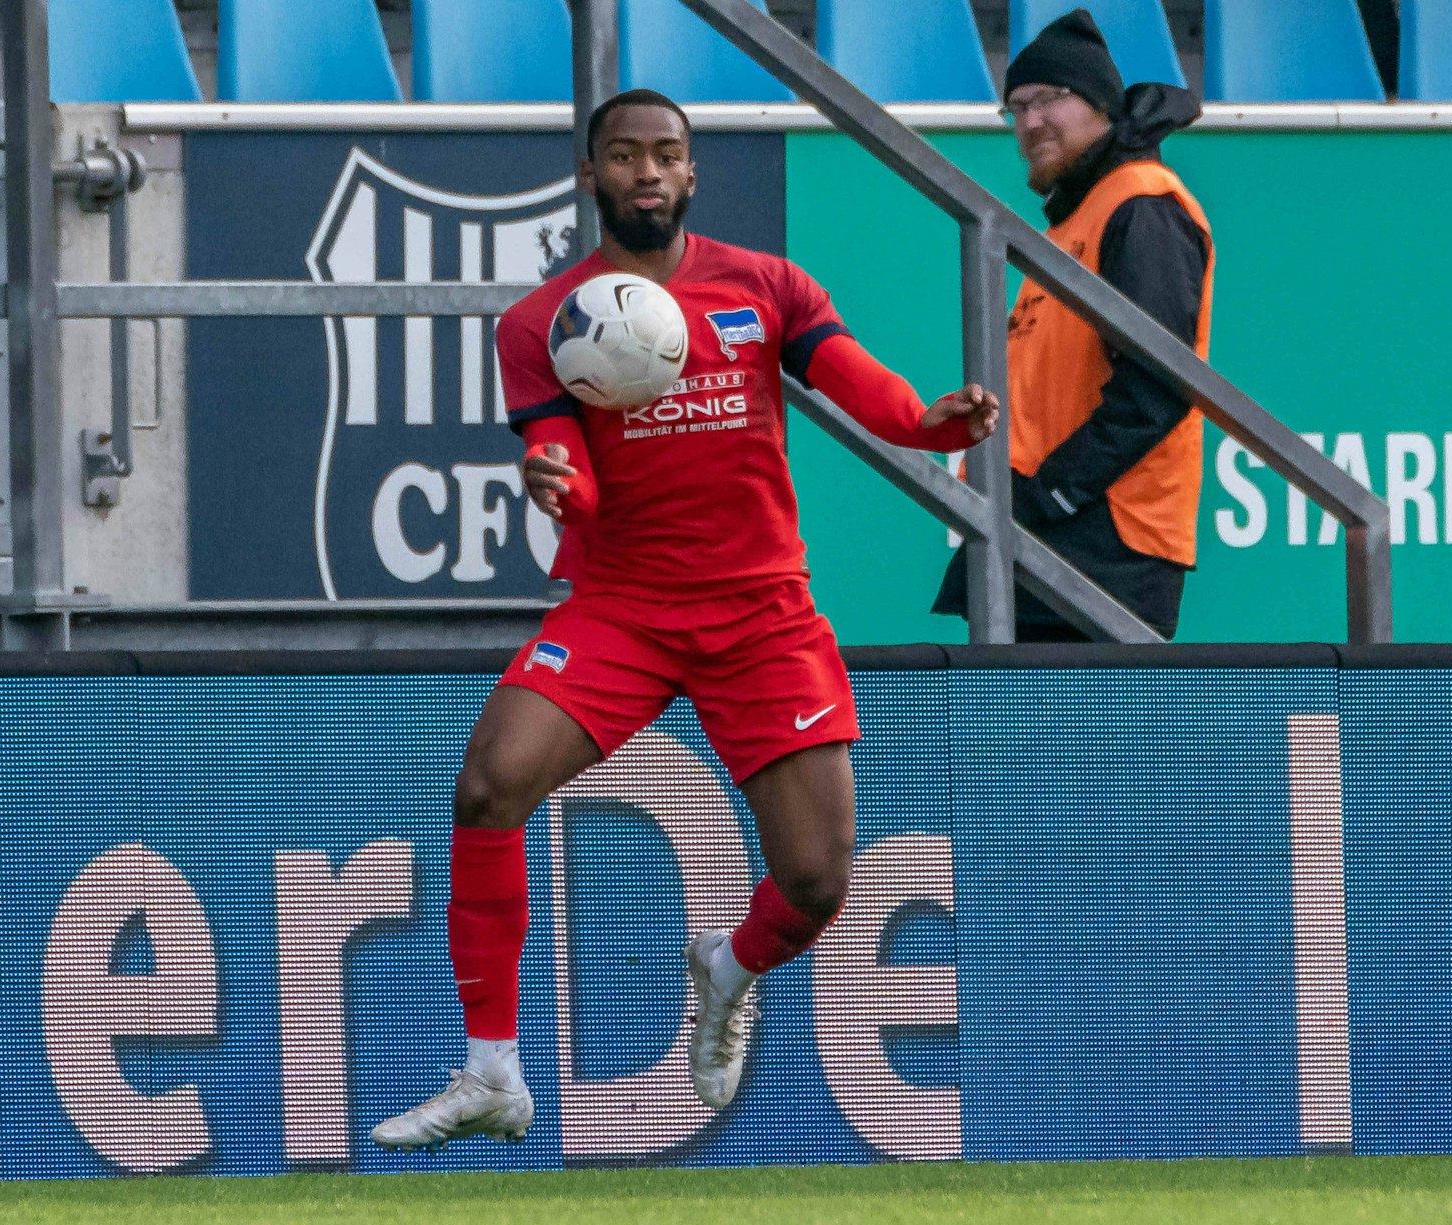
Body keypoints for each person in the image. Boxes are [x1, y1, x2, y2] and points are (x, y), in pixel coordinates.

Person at [369, 89, 999, 1150]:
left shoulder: (763, 285)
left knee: (814, 879)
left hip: (760, 611)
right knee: (488, 783)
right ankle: (490, 1069)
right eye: (624, 156)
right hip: (622, 605)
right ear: (590, 173)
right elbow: (570, 462)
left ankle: (729, 965)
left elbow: (857, 385)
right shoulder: (543, 324)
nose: (646, 172)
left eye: (665, 155)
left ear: (691, 173)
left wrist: (923, 419)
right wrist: (553, 478)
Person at [934, 8, 1212, 641]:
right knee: (1015, 734)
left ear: (1101, 105)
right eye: (1017, 107)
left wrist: (1052, 494)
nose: (1031, 122)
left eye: (1050, 99)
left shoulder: (1141, 203)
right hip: (1055, 521)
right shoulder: (1073, 222)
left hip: (1103, 533)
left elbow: (1156, 388)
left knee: (1070, 735)